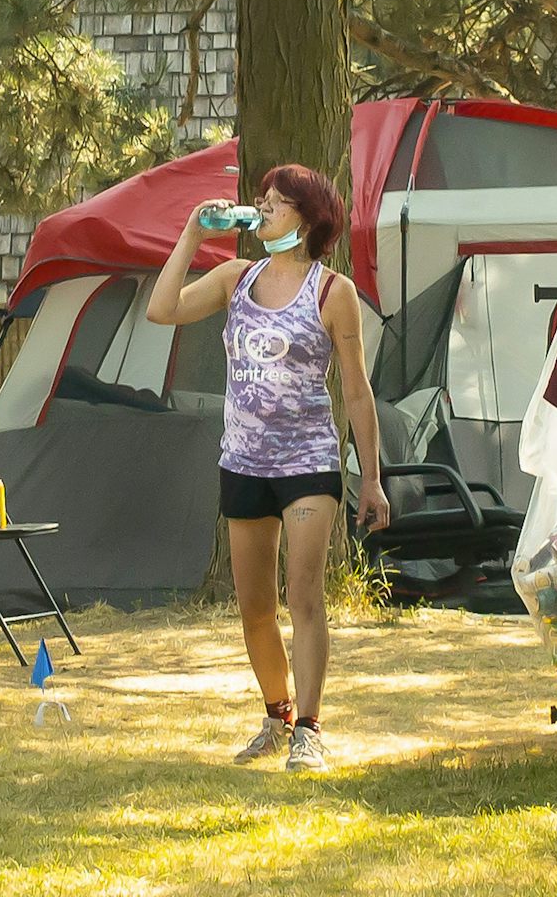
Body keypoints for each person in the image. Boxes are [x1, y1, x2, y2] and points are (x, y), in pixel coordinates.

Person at [147, 163, 391, 772]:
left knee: (304, 595)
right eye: (262, 201)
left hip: (308, 462)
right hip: (244, 462)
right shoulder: (235, 277)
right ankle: (276, 715)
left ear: (308, 219)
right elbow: (161, 310)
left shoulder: (333, 293)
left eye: (277, 203)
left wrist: (374, 478)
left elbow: (357, 392)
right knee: (255, 606)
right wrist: (190, 236)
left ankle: (309, 729)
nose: (263, 211)